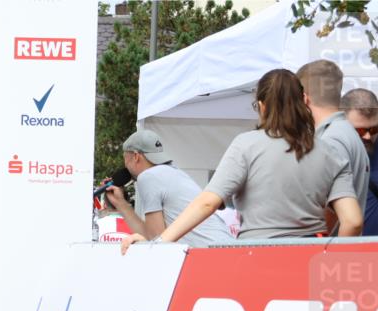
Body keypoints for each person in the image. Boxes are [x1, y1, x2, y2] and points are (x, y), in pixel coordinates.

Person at [122, 69, 362, 253]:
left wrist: (159, 244)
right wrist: (331, 257)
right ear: (304, 100)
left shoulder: (246, 145)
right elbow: (352, 221)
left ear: (261, 106)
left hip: (256, 254)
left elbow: (207, 203)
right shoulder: (331, 151)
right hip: (309, 254)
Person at [105, 131, 233, 246]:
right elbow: (156, 239)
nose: (125, 165)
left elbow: (155, 241)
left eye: (125, 159)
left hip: (208, 255)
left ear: (136, 156)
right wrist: (120, 203)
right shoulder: (173, 171)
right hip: (223, 249)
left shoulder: (148, 177)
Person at [297, 60, 370, 216]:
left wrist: (321, 240)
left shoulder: (329, 141)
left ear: (304, 98)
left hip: (331, 239)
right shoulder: (345, 133)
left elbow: (332, 213)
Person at [340, 88, 378, 236]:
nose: (368, 137)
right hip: (348, 253)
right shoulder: (329, 153)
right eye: (360, 131)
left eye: (374, 129)